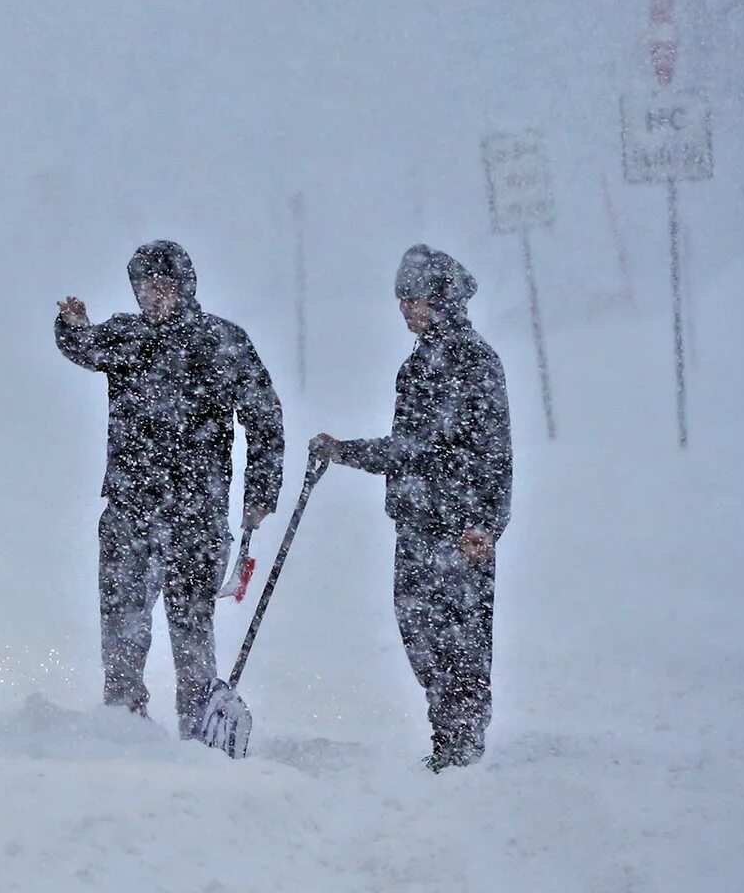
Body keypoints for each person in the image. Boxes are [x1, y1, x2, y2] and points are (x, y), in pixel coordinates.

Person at [57, 240, 284, 731]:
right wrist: (71, 327)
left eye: (163, 285)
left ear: (186, 287)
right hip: (129, 508)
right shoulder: (127, 336)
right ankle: (123, 723)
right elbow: (84, 347)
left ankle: (196, 727)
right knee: (122, 626)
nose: (152, 296)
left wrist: (262, 492)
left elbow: (265, 418)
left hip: (197, 513)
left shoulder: (222, 341)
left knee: (192, 628)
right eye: (143, 286)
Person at [313, 244, 511, 771]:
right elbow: (410, 450)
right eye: (400, 300)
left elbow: (496, 453)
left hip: (461, 531)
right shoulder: (416, 367)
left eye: (414, 298)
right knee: (421, 635)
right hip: (417, 528)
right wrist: (342, 451)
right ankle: (448, 735)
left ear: (442, 298)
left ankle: (462, 747)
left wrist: (486, 525)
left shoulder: (476, 364)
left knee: (463, 643)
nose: (405, 309)